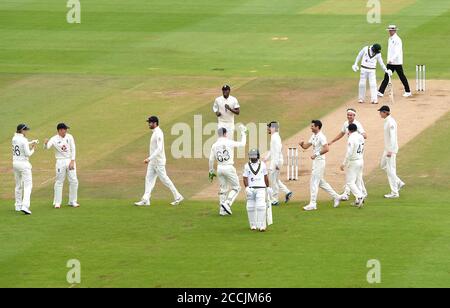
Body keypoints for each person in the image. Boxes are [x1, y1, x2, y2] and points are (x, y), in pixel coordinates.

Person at [135, 116, 184, 207]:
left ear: (155, 123)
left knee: (164, 179)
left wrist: (149, 158)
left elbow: (159, 148)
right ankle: (146, 199)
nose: (148, 124)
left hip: (158, 162)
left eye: (150, 122)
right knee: (148, 179)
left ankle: (178, 196)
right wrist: (150, 160)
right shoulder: (154, 133)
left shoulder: (158, 133)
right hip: (153, 162)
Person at [299, 120, 342, 211]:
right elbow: (306, 146)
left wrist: (316, 154)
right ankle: (337, 196)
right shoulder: (313, 136)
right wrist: (302, 144)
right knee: (321, 183)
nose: (311, 127)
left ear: (317, 127)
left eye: (312, 126)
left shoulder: (322, 136)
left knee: (314, 182)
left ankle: (313, 204)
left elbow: (326, 149)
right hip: (316, 161)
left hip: (320, 161)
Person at [329, 108, 368, 200]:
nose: (349, 116)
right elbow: (342, 133)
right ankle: (355, 193)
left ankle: (357, 194)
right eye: (348, 115)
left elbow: (365, 135)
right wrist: (332, 141)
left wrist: (355, 137)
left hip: (355, 153)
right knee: (356, 177)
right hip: (357, 154)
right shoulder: (345, 124)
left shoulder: (357, 125)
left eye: (351, 115)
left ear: (354, 116)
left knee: (352, 177)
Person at [209, 125, 247, 216]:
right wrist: (243, 133)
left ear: (218, 135)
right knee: (236, 188)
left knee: (223, 189)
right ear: (225, 134)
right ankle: (227, 204)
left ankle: (222, 211)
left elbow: (211, 159)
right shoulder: (228, 142)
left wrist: (211, 171)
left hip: (219, 168)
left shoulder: (214, 145)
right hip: (229, 167)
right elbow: (242, 144)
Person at [44, 123, 79, 209]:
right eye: (64, 129)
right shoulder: (54, 139)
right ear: (59, 130)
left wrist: (72, 161)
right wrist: (45, 143)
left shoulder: (69, 137)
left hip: (70, 160)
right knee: (59, 181)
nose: (66, 131)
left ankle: (72, 201)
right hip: (60, 161)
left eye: (66, 129)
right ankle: (57, 202)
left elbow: (73, 148)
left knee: (74, 180)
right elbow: (47, 147)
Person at [378, 106, 405, 198]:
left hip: (390, 150)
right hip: (387, 149)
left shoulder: (391, 122)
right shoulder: (386, 121)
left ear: (385, 112)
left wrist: (390, 150)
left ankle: (394, 193)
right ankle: (398, 182)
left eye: (381, 112)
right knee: (383, 165)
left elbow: (393, 137)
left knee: (391, 170)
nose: (380, 113)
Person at [378, 25, 412, 98]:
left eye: (391, 30)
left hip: (396, 62)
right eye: (389, 30)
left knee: (401, 76)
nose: (390, 32)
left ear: (395, 31)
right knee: (386, 76)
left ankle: (408, 91)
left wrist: (392, 59)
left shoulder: (397, 39)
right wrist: (389, 60)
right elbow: (390, 51)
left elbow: (397, 51)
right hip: (390, 62)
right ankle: (381, 92)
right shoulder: (390, 39)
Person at [263, 121, 292, 206]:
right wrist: (266, 158)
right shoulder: (274, 136)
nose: (268, 128)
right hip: (276, 160)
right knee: (275, 179)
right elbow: (272, 150)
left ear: (273, 128)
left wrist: (275, 164)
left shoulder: (275, 137)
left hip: (276, 161)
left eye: (269, 127)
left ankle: (275, 200)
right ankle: (287, 192)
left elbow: (277, 150)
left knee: (272, 180)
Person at [243, 149, 272, 232]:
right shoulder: (247, 166)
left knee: (261, 206)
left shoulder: (262, 165)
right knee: (250, 207)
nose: (253, 158)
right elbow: (245, 178)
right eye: (251, 156)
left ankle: (262, 225)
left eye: (254, 156)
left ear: (258, 156)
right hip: (251, 189)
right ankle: (253, 224)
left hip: (261, 188)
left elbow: (265, 177)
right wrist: (247, 187)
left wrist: (268, 187)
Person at [12, 124, 38, 215]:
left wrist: (31, 142)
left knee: (18, 185)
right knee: (28, 186)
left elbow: (22, 144)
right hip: (24, 164)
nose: (26, 131)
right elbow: (27, 154)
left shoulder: (14, 138)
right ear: (22, 131)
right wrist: (33, 149)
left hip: (15, 163)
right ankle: (25, 206)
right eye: (25, 130)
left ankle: (18, 205)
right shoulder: (23, 140)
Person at [340, 124, 366, 208]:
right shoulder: (360, 136)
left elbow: (349, 152)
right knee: (358, 181)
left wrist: (344, 163)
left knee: (350, 182)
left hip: (354, 162)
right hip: (361, 160)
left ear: (349, 130)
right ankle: (359, 200)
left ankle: (359, 196)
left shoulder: (351, 138)